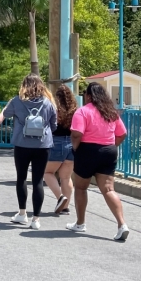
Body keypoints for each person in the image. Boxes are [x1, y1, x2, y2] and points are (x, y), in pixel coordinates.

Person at [0, 74, 57, 230]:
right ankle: (36, 219)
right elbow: (54, 125)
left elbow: (0, 118)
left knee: (21, 178)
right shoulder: (48, 103)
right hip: (43, 145)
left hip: (22, 144)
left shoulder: (16, 101)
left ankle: (22, 213)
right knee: (38, 181)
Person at [67, 82, 130, 241]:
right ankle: (122, 224)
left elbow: (76, 134)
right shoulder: (111, 112)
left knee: (81, 187)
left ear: (88, 96)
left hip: (87, 150)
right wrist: (110, 146)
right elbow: (122, 134)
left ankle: (80, 223)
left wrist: (75, 148)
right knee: (108, 189)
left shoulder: (82, 111)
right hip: (108, 151)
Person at [44, 84, 78, 214]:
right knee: (66, 177)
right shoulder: (75, 109)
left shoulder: (54, 108)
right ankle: (65, 207)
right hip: (71, 143)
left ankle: (60, 198)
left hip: (56, 142)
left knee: (47, 173)